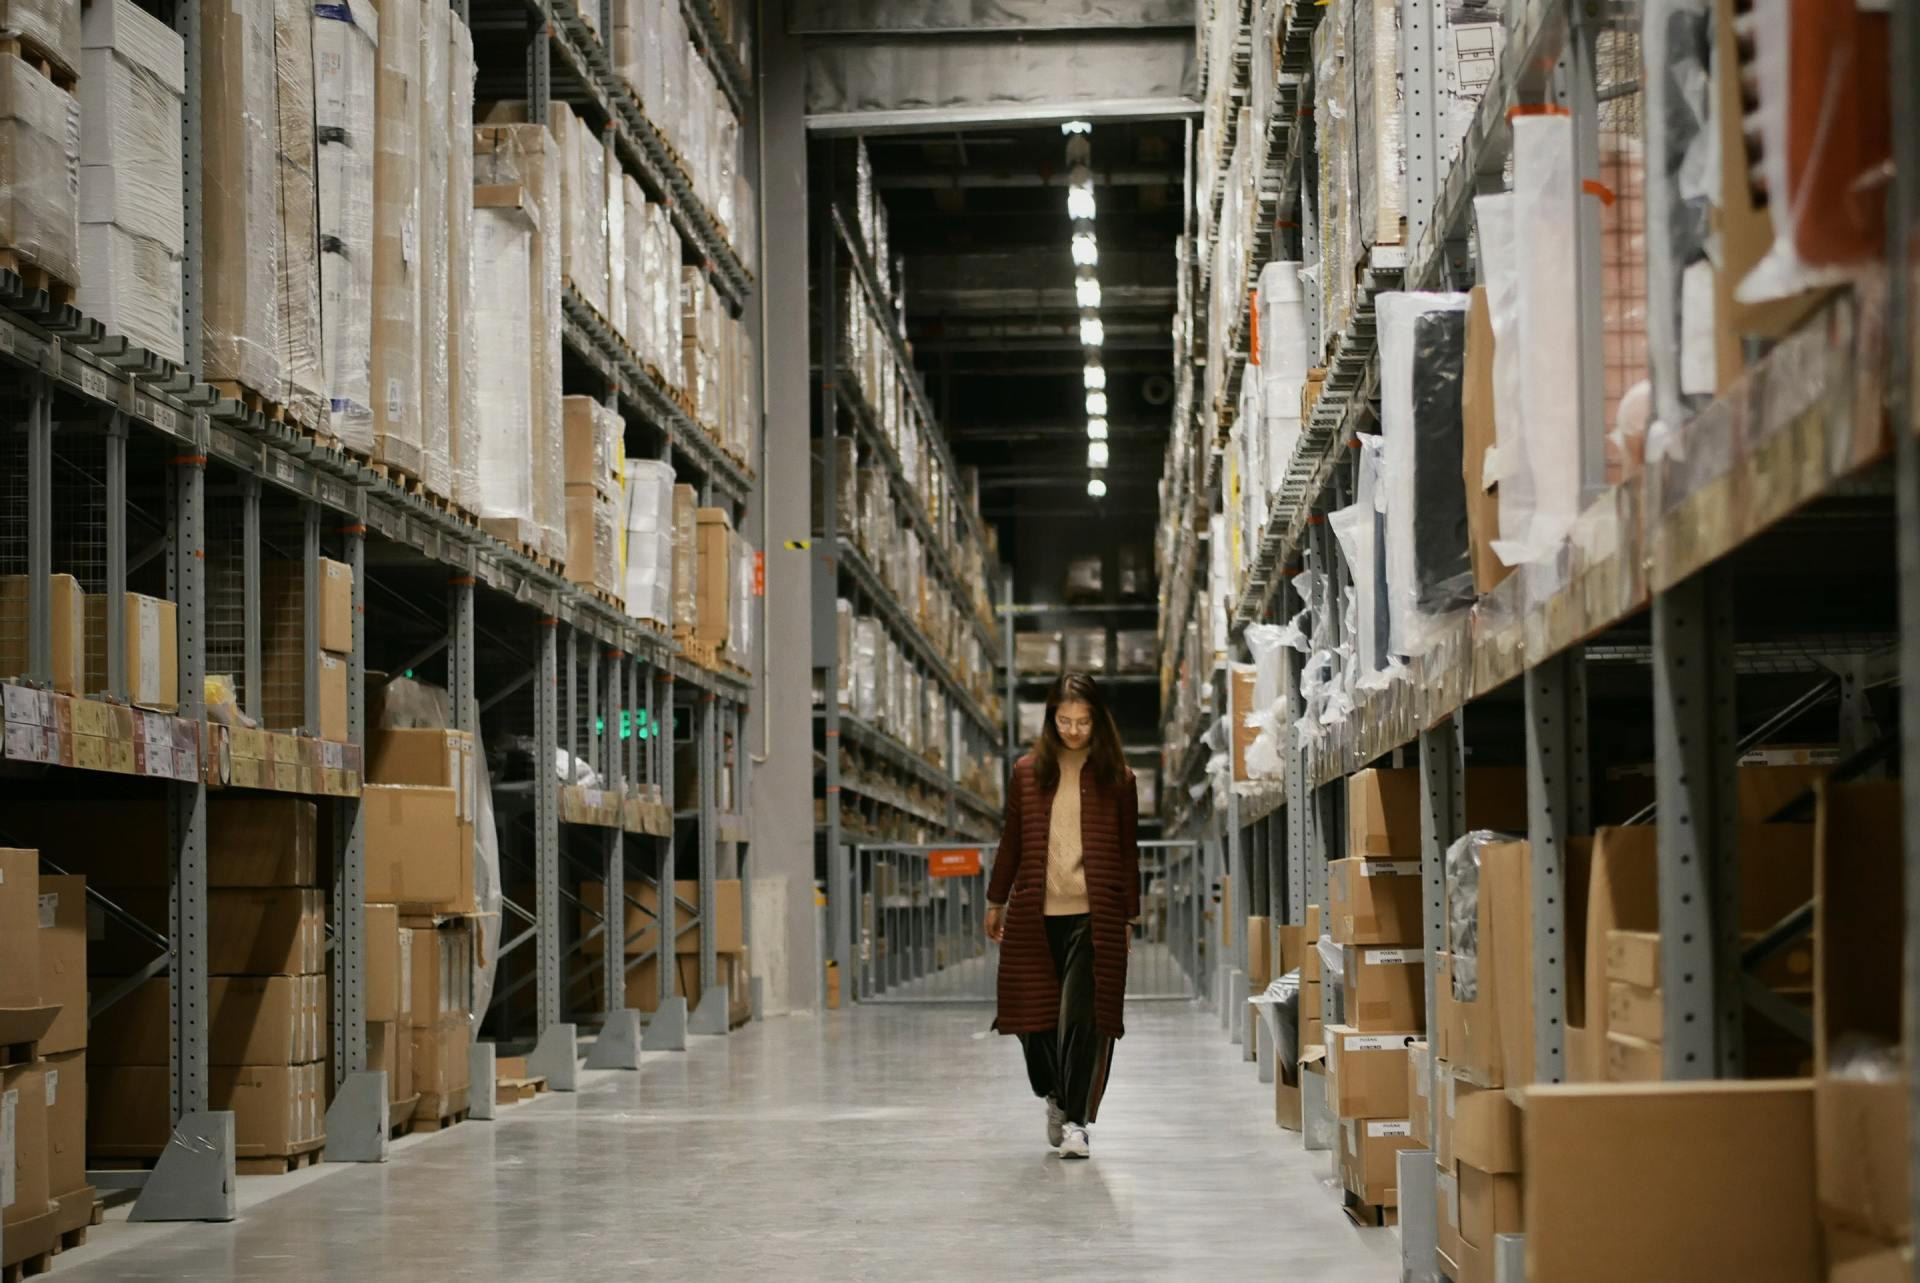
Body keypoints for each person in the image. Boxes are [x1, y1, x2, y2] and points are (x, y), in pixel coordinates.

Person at [984, 671, 1140, 1159]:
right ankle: (1053, 1094)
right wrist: (996, 899)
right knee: (1033, 1023)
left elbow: (1127, 852)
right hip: (1034, 915)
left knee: (1082, 1021)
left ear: (1098, 722)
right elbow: (1012, 839)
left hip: (1094, 916)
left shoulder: (1118, 778)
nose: (1073, 730)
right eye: (1064, 720)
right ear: (1051, 719)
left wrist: (1129, 917)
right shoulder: (1028, 772)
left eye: (1083, 722)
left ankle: (1076, 1121)